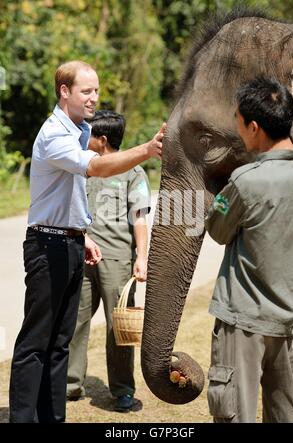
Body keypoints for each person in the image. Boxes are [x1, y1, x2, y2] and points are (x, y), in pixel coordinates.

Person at [9, 60, 165, 423]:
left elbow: (72, 196)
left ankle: (52, 417)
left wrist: (82, 233)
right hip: (47, 246)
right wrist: (146, 149)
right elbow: (94, 168)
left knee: (60, 342)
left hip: (71, 243)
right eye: (86, 91)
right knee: (36, 343)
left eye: (96, 90)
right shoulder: (54, 135)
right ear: (64, 92)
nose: (95, 98)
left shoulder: (79, 132)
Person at [204, 77, 293, 423]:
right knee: (289, 413)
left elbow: (217, 228)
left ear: (255, 127)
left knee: (235, 413)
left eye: (239, 122)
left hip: (243, 321)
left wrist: (218, 198)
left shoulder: (244, 182)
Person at [67, 110, 151, 412]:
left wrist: (141, 258)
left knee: (120, 329)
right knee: (75, 321)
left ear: (102, 140)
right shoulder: (82, 167)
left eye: (89, 134)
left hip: (117, 261)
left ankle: (122, 389)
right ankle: (70, 383)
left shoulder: (133, 173)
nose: (84, 138)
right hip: (82, 255)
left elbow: (139, 218)